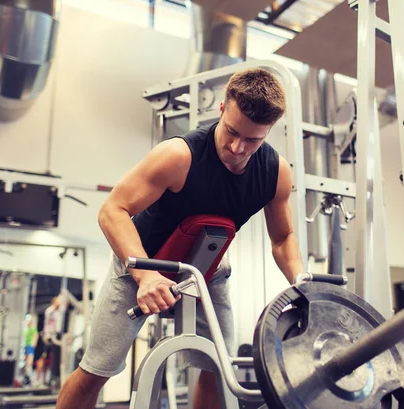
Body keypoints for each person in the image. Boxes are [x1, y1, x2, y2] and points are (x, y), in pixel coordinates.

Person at [56, 68, 305, 409]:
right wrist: (144, 276)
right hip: (142, 260)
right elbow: (112, 210)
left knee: (219, 370)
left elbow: (283, 237)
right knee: (98, 369)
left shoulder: (276, 172)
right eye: (232, 132)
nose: (237, 147)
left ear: (269, 131)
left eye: (252, 140)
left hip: (208, 270)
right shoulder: (179, 156)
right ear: (221, 109)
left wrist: (302, 284)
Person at [22, 314, 39, 383]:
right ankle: (26, 373)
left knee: (29, 360)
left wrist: (33, 344)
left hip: (30, 346)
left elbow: (36, 336)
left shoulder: (33, 329)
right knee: (26, 360)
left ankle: (29, 373)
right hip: (25, 345)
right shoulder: (26, 329)